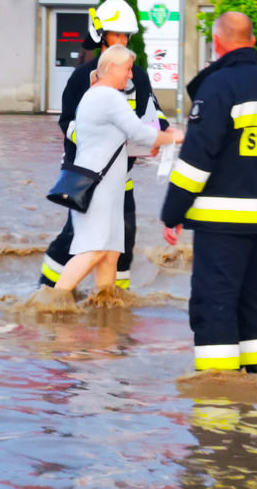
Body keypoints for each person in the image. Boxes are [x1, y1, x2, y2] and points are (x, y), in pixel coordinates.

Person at [160, 11, 257, 374]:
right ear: (252, 41)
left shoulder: (217, 86)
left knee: (213, 306)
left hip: (220, 222)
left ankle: (218, 411)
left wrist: (173, 213)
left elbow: (196, 161)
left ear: (217, 43)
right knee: (249, 307)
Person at [32, 45, 182, 304]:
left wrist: (153, 145)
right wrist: (171, 138)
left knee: (111, 253)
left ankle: (105, 311)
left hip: (109, 189)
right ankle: (49, 305)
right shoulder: (107, 97)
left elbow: (120, 141)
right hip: (98, 189)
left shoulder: (99, 96)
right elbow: (138, 131)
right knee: (95, 250)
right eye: (127, 69)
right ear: (111, 67)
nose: (131, 75)